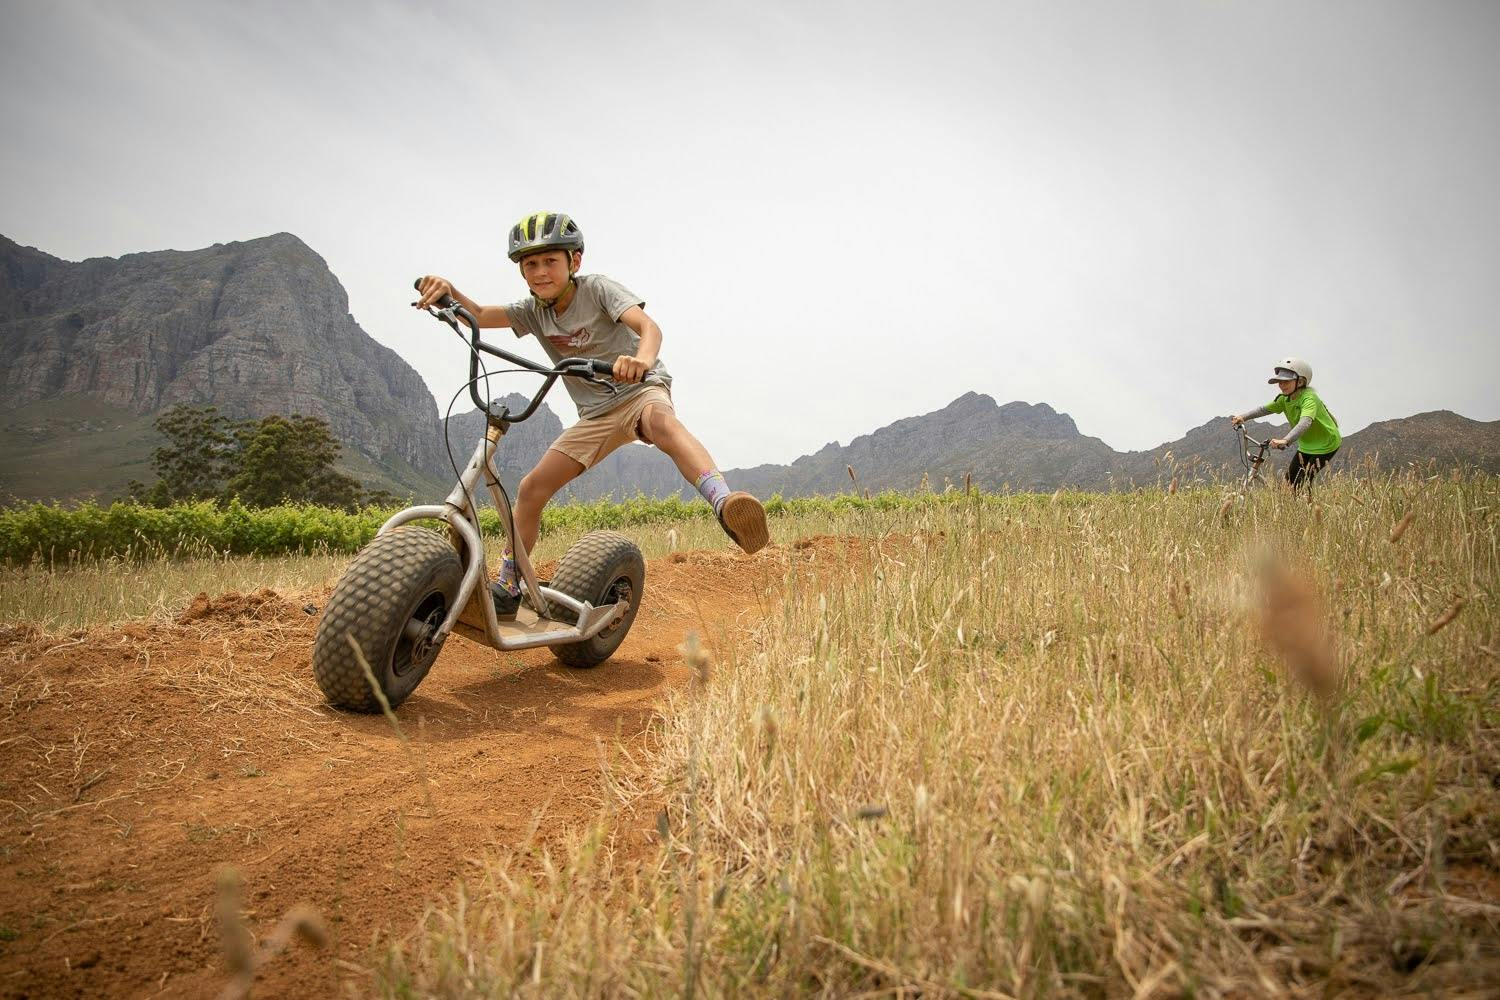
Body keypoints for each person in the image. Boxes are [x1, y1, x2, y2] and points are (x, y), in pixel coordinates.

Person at [415, 211, 769, 618]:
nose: (541, 271)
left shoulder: (598, 289)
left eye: (551, 261)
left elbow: (648, 326)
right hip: (595, 415)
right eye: (531, 264)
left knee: (662, 423)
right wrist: (446, 291)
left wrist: (641, 360)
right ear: (522, 271)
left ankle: (725, 504)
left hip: (637, 391)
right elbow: (477, 314)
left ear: (574, 262)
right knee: (531, 489)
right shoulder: (533, 311)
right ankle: (510, 584)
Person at [1230, 356, 1341, 489]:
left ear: (1300, 382)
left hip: (1326, 444)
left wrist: (1286, 440)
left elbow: (1305, 422)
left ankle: (1308, 508)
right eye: (1279, 382)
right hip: (1306, 445)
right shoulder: (1284, 399)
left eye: (1286, 382)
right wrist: (1243, 417)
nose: (1281, 385)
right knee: (1290, 481)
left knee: (1303, 481)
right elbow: (1263, 409)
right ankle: (1299, 506)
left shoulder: (1309, 399)